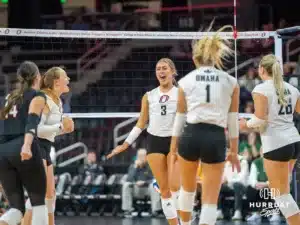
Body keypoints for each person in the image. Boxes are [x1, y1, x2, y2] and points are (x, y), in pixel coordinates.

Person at [170, 25, 241, 225]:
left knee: (187, 189)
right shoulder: (231, 82)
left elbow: (180, 118)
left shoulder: (184, 81)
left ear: (195, 59)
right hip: (216, 136)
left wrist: (173, 146)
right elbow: (233, 120)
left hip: (191, 135)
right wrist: (234, 150)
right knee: (210, 199)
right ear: (215, 57)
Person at [107, 58, 181, 225]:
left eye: (164, 68)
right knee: (164, 190)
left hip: (175, 141)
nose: (161, 71)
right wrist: (124, 144)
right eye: (158, 69)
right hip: (154, 142)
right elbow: (141, 123)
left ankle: (186, 218)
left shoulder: (180, 93)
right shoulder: (149, 96)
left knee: (175, 187)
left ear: (172, 72)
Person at [239, 54, 300, 225]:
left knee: (279, 193)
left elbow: (260, 119)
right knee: (284, 191)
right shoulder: (292, 89)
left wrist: (245, 124)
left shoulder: (261, 89)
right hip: (294, 142)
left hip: (276, 144)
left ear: (261, 69)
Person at [22, 67, 74, 225]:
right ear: (56, 82)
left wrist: (64, 130)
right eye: (65, 77)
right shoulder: (43, 98)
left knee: (50, 194)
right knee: (40, 195)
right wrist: (60, 127)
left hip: (45, 147)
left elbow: (50, 132)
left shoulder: (58, 101)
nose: (69, 79)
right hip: (35, 146)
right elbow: (35, 129)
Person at [0, 61, 48, 225]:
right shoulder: (37, 95)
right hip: (21, 146)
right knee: (39, 202)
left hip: (2, 151)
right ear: (37, 77)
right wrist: (27, 145)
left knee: (16, 209)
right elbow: (32, 121)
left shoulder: (9, 97)